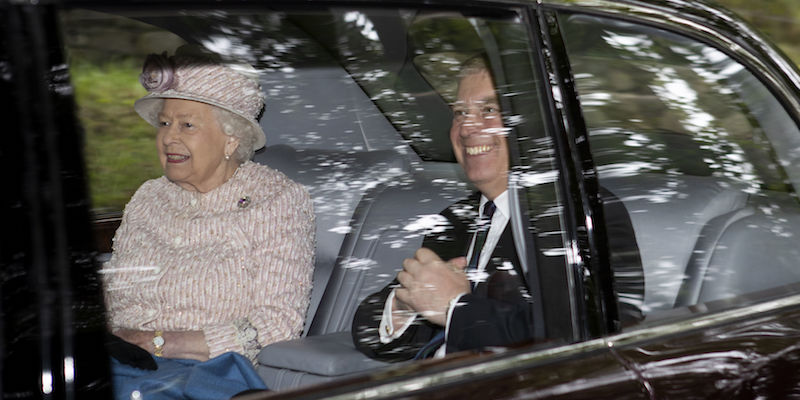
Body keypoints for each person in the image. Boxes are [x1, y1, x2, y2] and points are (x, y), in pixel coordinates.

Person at [101, 46, 315, 398]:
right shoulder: (147, 198)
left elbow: (278, 325)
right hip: (122, 362)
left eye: (187, 125)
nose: (169, 136)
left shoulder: (277, 200)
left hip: (205, 377)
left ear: (231, 139)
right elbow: (113, 291)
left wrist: (158, 342)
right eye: (165, 123)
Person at [351, 56, 538, 361]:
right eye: (460, 113)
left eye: (488, 110)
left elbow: (564, 340)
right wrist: (405, 306)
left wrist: (457, 306)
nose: (466, 128)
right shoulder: (456, 219)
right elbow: (367, 327)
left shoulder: (571, 219)